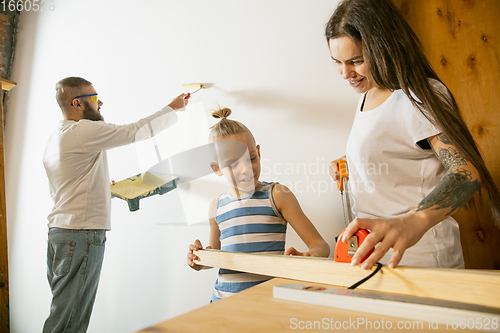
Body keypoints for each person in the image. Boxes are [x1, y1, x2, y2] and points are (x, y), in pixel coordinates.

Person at [325, 0, 500, 270]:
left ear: (383, 47)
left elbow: (466, 172)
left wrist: (414, 221)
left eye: (356, 61)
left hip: (423, 259)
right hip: (376, 260)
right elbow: (402, 151)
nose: (345, 73)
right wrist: (355, 161)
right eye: (337, 62)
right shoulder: (369, 93)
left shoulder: (418, 96)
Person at [43, 76, 188, 332]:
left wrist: (103, 189)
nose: (101, 103)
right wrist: (172, 108)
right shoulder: (81, 131)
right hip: (81, 235)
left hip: (61, 235)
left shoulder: (58, 135)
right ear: (78, 103)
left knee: (63, 314)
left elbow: (72, 184)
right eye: (95, 98)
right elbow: (134, 131)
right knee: (69, 322)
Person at [186, 107, 330, 302]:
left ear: (259, 153)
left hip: (268, 303)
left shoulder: (278, 194)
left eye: (251, 158)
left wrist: (305, 256)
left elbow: (321, 246)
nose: (246, 169)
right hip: (222, 303)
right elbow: (216, 255)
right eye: (233, 164)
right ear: (217, 169)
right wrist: (200, 260)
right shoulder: (216, 206)